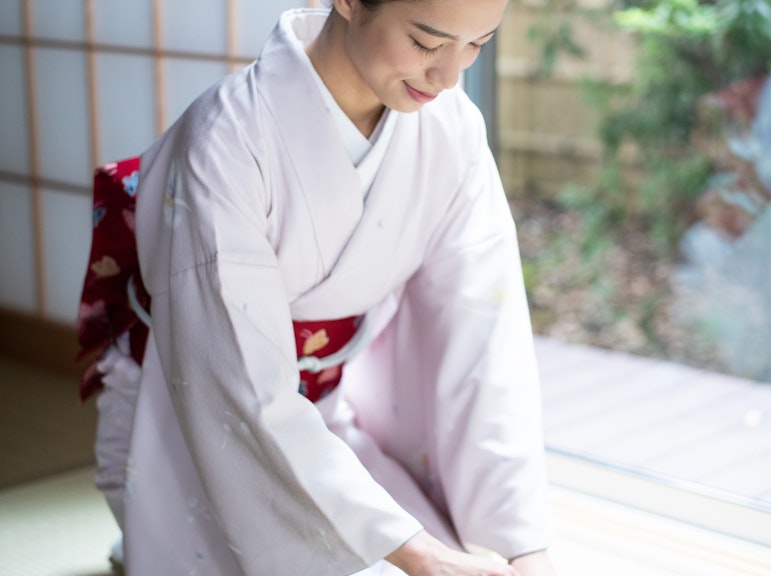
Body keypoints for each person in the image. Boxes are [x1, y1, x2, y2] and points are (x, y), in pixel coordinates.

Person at [84, 1, 558, 574]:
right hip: (192, 400)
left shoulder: (451, 128)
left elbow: (483, 336)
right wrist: (421, 556)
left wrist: (525, 544)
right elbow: (235, 378)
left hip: (327, 402)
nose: (449, 75)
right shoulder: (228, 135)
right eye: (428, 43)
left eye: (477, 44)